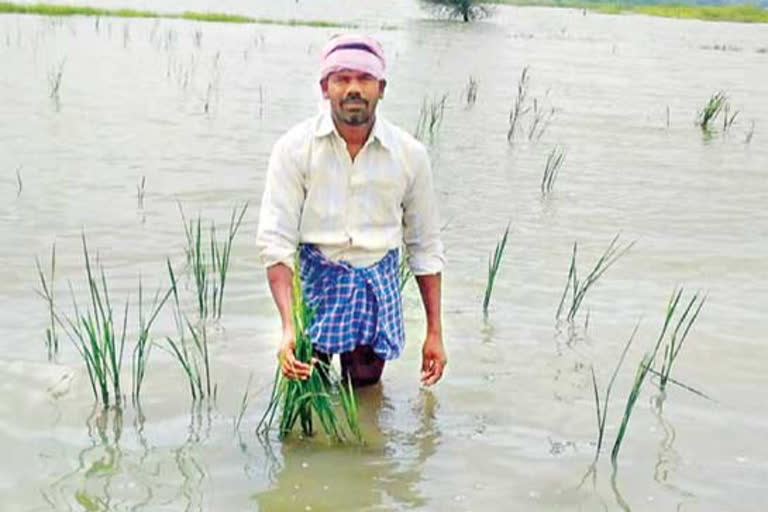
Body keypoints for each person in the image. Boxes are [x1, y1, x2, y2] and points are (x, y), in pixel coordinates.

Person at [255, 34, 446, 388]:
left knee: (363, 392)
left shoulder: (410, 154)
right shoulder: (294, 149)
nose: (353, 89)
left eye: (364, 79)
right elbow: (275, 240)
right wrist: (287, 327)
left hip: (377, 284)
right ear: (325, 87)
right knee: (305, 397)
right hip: (316, 284)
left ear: (381, 88)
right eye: (342, 79)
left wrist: (435, 332)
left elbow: (425, 246)